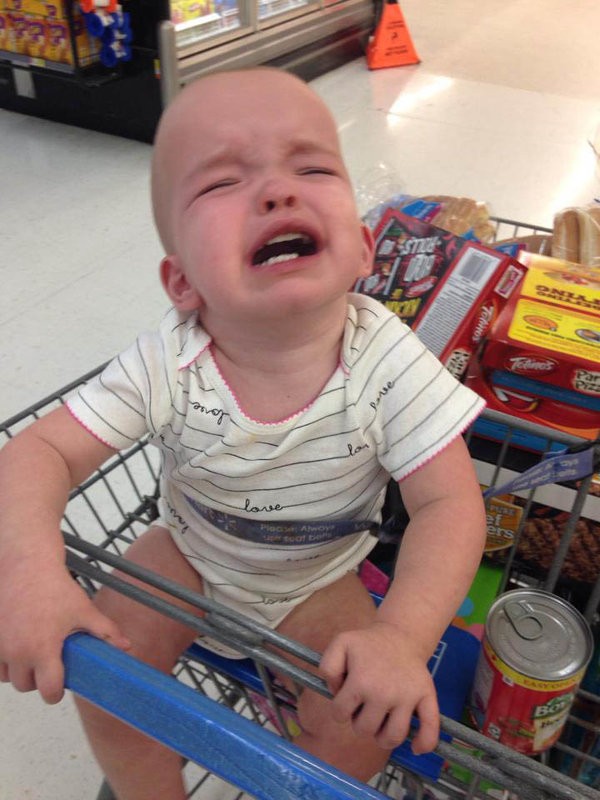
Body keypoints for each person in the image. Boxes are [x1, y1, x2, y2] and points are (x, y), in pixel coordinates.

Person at [0, 67, 487, 800]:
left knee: (362, 725)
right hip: (186, 554)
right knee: (107, 684)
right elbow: (38, 450)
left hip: (317, 579)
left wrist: (400, 639)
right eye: (223, 182)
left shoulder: (387, 361)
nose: (277, 191)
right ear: (182, 283)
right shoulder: (168, 362)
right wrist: (30, 574)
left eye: (312, 167)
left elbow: (449, 505)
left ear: (363, 250)